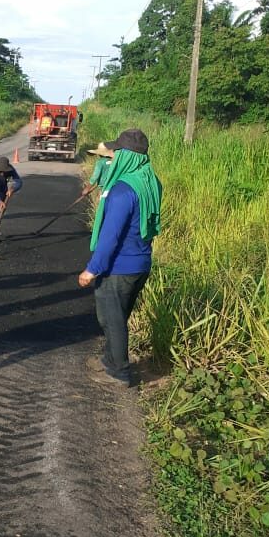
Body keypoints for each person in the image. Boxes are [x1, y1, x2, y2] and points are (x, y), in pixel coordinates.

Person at [78, 129, 162, 387]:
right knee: (118, 317)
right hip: (141, 263)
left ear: (126, 156)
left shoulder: (122, 191)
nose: (111, 156)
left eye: (116, 152)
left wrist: (92, 269)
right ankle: (109, 360)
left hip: (119, 266)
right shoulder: (150, 182)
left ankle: (120, 372)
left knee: (110, 319)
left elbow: (110, 236)